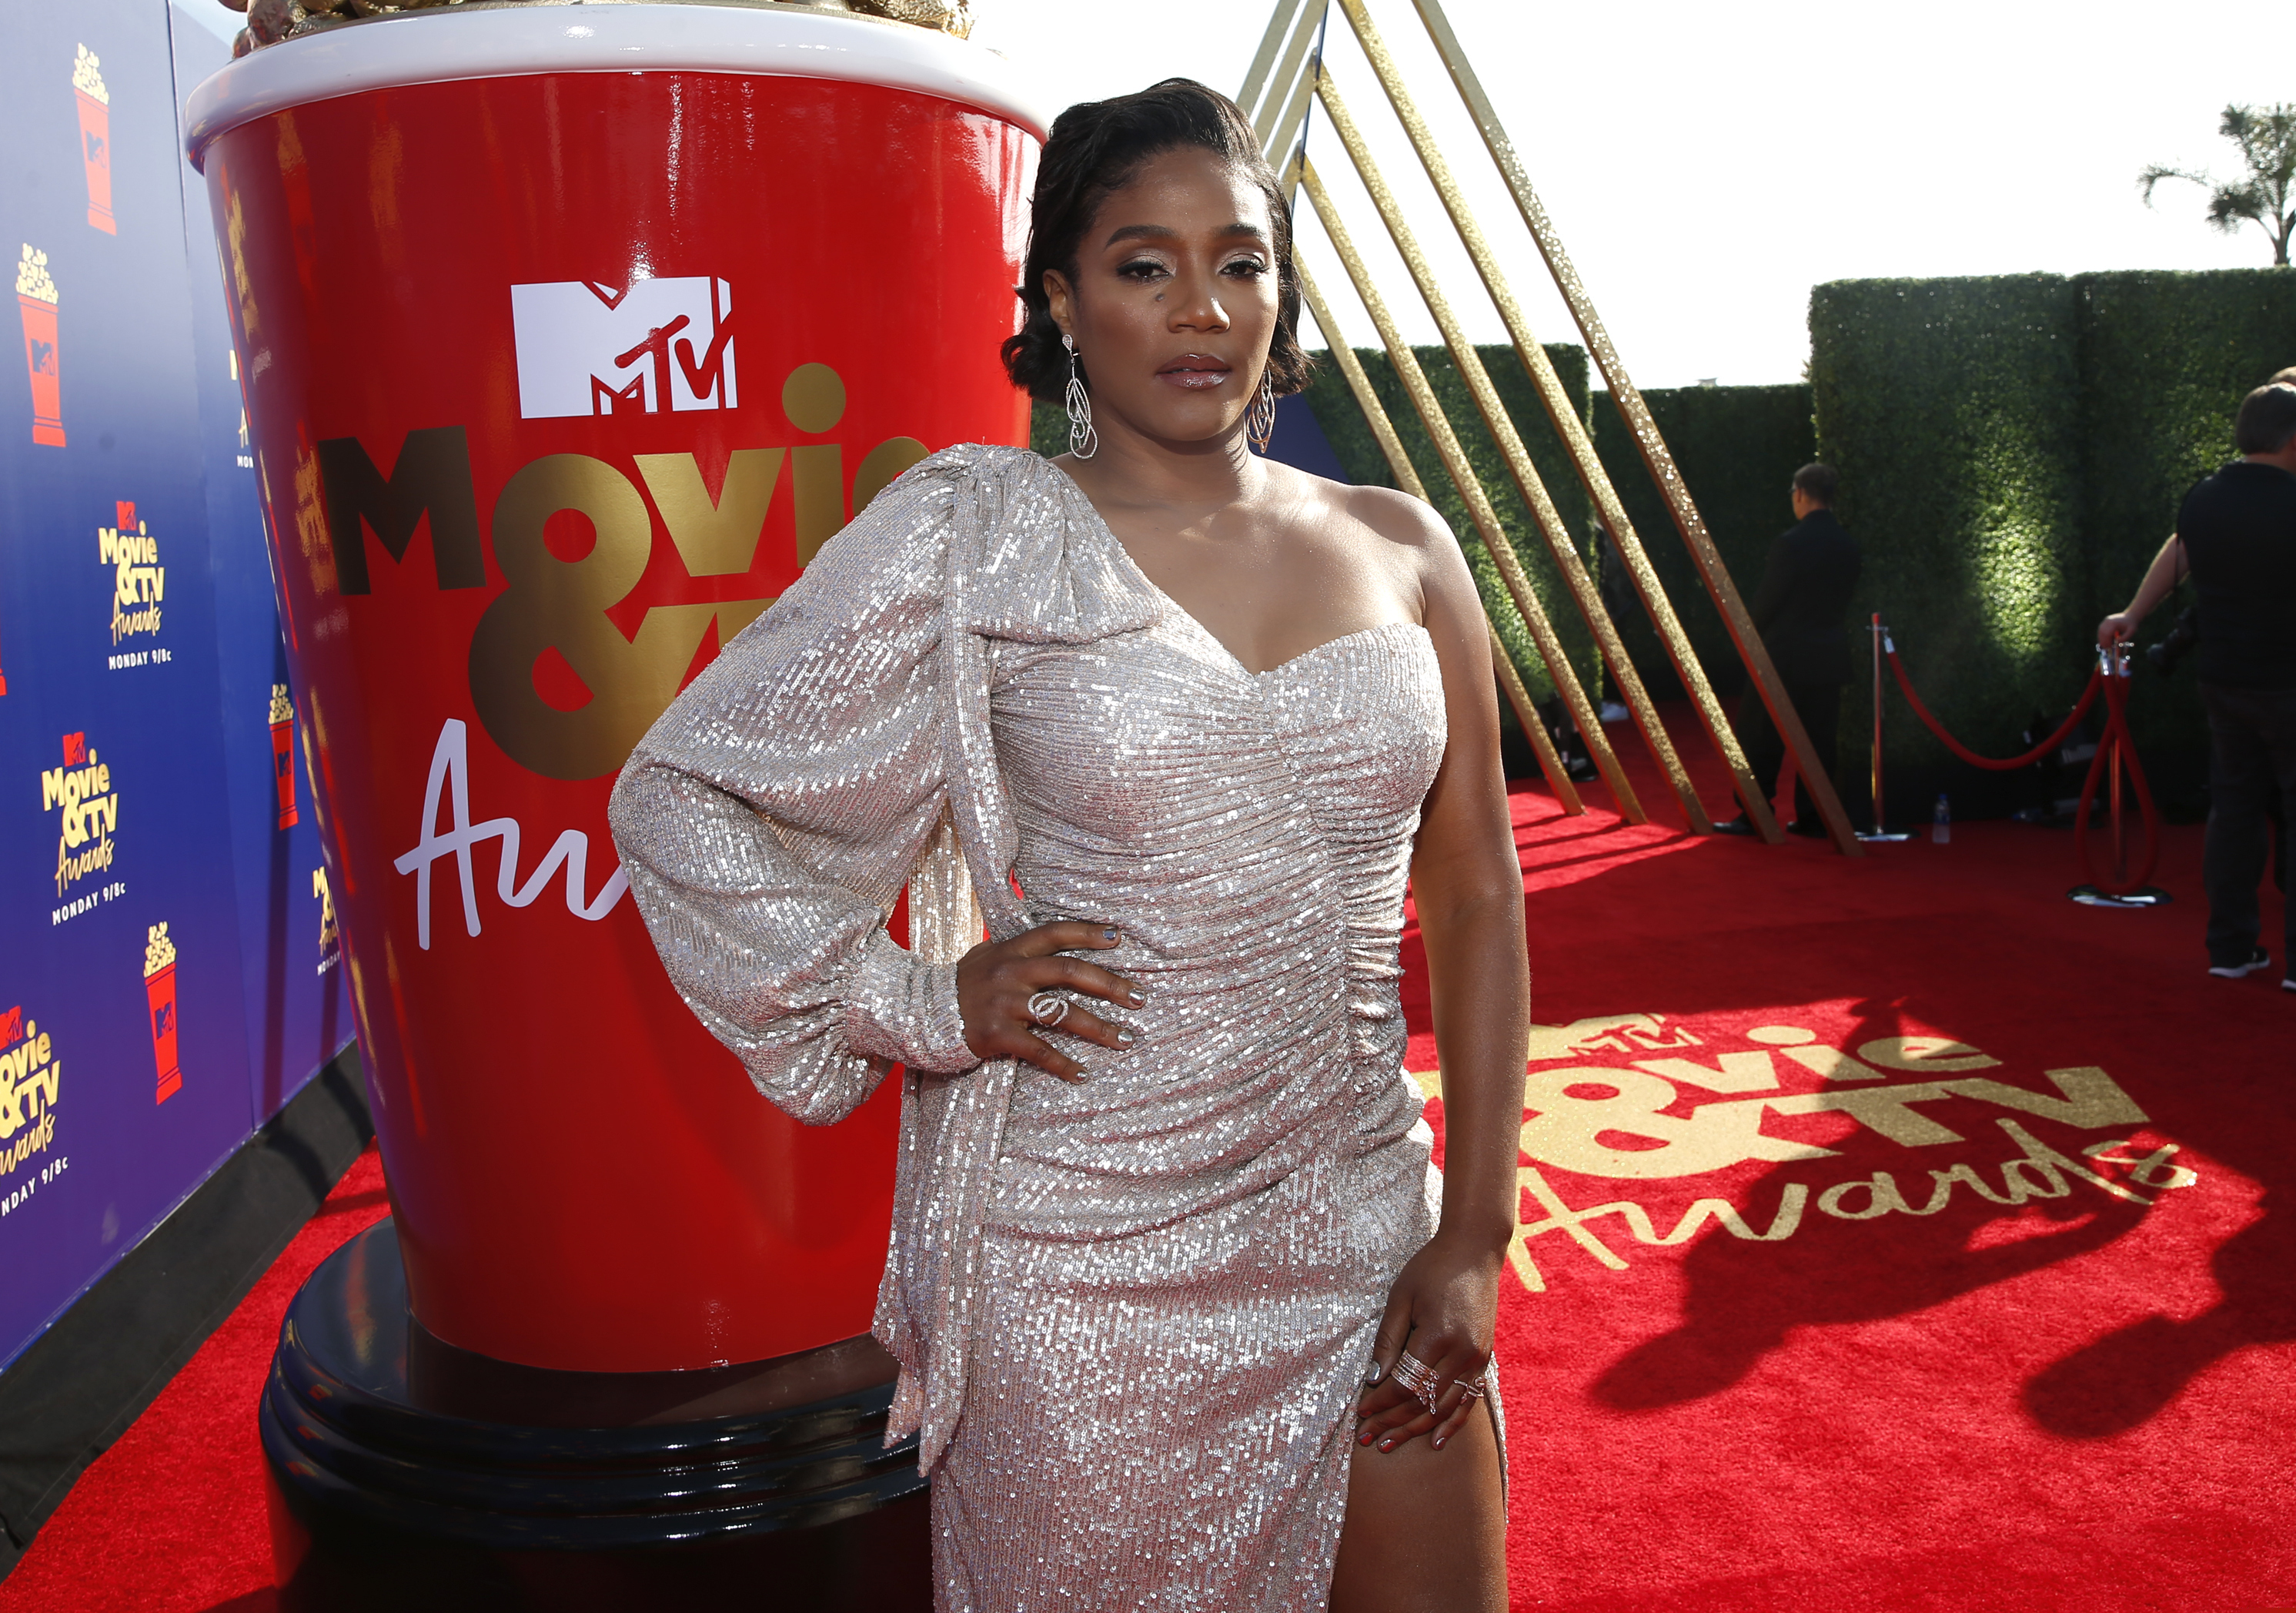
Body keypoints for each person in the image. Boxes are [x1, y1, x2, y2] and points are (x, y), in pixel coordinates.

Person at [607, 80, 1522, 1611]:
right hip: (1086, 1273)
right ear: (1060, 297)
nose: (1201, 310)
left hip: (1377, 1236)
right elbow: (679, 794)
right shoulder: (974, 533)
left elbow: (1480, 889)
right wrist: (915, 1000)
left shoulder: (1402, 546)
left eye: (1241, 262)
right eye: (1142, 264)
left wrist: (1478, 1226)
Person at [2100, 381, 2296, 992]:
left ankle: (2230, 948)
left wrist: (2133, 614)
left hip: (2222, 679)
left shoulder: (2204, 498)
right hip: (2294, 683)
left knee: (2235, 810)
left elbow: (2179, 553)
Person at [1713, 462, 1861, 837]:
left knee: (1760, 736)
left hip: (1783, 656)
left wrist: (1748, 634)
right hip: (1827, 655)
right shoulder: (1848, 544)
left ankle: (1754, 814)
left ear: (1799, 494)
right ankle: (1816, 817)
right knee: (1820, 741)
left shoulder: (1790, 544)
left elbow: (1768, 602)